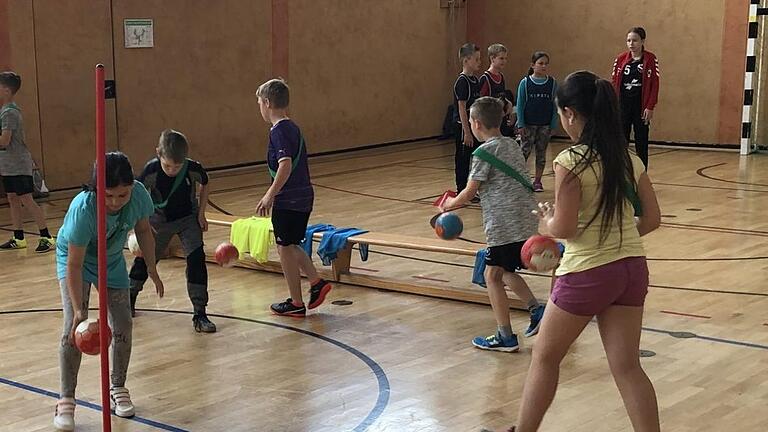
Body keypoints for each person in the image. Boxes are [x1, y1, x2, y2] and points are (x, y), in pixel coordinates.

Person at [510, 71, 661, 432]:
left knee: (545, 358)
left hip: (588, 272)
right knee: (627, 368)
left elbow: (563, 228)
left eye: (561, 114)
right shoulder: (628, 160)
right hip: (632, 268)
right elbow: (652, 218)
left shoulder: (571, 160)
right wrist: (618, 239)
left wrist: (546, 223)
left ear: (571, 114)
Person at [54, 152, 164, 431]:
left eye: (122, 195)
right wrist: (80, 309)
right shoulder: (83, 209)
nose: (115, 202)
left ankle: (118, 387)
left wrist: (151, 268)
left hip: (111, 258)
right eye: (108, 196)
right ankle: (66, 399)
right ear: (96, 190)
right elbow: (76, 264)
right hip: (75, 259)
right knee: (72, 327)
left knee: (123, 323)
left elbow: (144, 232)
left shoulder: (138, 195)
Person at [442, 96, 545, 353]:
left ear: (475, 124)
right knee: (505, 271)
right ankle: (536, 308)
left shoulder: (482, 152)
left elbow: (469, 193)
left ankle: (505, 336)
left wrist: (448, 205)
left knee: (491, 276)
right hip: (526, 219)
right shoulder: (512, 144)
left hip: (503, 224)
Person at [255, 78, 332, 317]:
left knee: (284, 248)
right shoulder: (293, 127)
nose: (259, 107)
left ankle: (296, 303)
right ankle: (316, 283)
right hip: (303, 196)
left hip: (289, 200)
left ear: (267, 103)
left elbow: (285, 165)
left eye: (259, 102)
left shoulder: (279, 132)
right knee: (289, 244)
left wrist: (270, 195)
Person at [128, 129, 216, 332]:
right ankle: (130, 296)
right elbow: (136, 194)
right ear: (158, 153)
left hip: (188, 220)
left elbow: (205, 182)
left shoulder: (193, 168)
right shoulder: (151, 171)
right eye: (167, 165)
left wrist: (201, 212)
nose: (172, 170)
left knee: (196, 261)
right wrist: (141, 222)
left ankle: (200, 313)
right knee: (145, 258)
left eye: (177, 166)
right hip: (159, 221)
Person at [0, 71, 54, 252]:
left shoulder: (9, 113)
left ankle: (46, 236)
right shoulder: (5, 110)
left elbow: (4, 141)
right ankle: (19, 237)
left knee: (26, 199)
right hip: (8, 165)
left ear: (7, 90)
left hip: (18, 164)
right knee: (12, 198)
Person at [611, 26, 660, 169]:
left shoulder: (650, 59)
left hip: (640, 106)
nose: (631, 44)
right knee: (621, 140)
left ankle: (642, 174)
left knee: (641, 141)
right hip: (623, 106)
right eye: (628, 40)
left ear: (642, 41)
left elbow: (655, 84)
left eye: (635, 40)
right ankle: (621, 171)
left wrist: (650, 106)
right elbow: (614, 82)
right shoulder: (620, 59)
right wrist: (614, 104)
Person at [515, 52, 559, 192]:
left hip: (544, 125)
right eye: (540, 63)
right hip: (528, 125)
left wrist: (553, 124)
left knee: (541, 154)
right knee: (524, 153)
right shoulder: (525, 83)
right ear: (533, 65)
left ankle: (538, 181)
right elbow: (520, 104)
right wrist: (520, 124)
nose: (543, 66)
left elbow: (555, 105)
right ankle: (520, 180)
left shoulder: (552, 83)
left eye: (546, 63)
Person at [453, 43, 482, 197]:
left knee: (476, 158)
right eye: (476, 59)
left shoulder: (475, 80)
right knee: (463, 160)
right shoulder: (462, 81)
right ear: (466, 60)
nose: (479, 62)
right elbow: (461, 108)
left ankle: (473, 189)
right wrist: (467, 132)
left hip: (474, 126)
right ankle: (461, 189)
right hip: (463, 127)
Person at [479, 43, 515, 137]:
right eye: (501, 58)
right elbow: (481, 102)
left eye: (505, 58)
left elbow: (501, 95)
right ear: (492, 59)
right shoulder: (485, 78)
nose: (504, 61)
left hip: (501, 119)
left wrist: (508, 103)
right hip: (490, 121)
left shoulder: (501, 76)